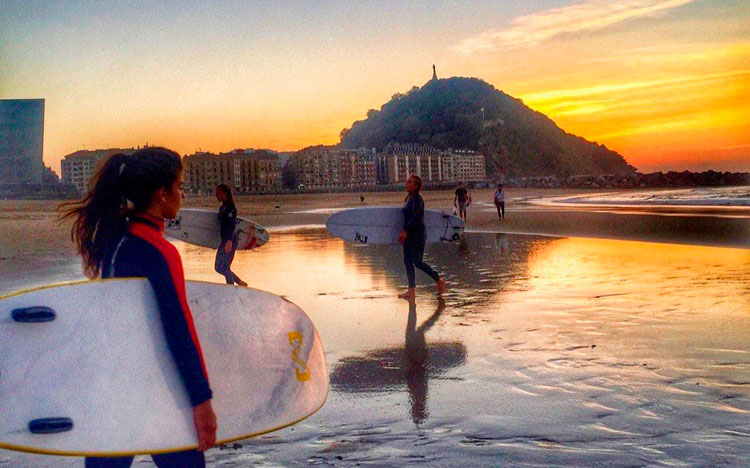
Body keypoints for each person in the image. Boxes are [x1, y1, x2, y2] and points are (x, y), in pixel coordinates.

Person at [61, 147, 217, 468]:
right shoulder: (158, 251)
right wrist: (201, 400)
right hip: (157, 390)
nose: (183, 194)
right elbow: (178, 328)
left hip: (113, 389)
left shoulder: (115, 240)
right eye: (179, 186)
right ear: (162, 194)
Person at [398, 174, 446, 298]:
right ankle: (411, 290)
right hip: (409, 234)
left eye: (409, 182)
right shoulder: (408, 198)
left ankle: (438, 280)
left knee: (417, 262)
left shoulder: (418, 199)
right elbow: (406, 218)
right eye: (407, 182)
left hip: (418, 234)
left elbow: (415, 217)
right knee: (407, 261)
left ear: (416, 185)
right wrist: (404, 231)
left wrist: (405, 231)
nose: (406, 184)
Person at [215, 184, 247, 286]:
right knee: (220, 267)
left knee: (223, 267)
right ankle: (239, 283)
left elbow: (231, 224)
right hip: (225, 240)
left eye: (218, 193)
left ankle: (231, 287)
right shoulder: (223, 207)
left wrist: (229, 241)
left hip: (230, 240)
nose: (216, 195)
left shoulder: (231, 208)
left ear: (225, 194)